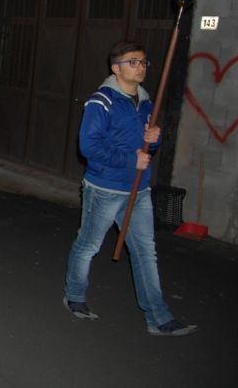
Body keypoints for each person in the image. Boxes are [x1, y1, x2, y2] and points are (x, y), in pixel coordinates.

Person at [63, 41, 197, 336]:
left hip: (139, 190)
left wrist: (155, 137)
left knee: (146, 252)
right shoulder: (102, 101)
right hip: (104, 188)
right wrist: (129, 159)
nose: (140, 67)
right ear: (116, 67)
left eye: (144, 62)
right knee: (89, 246)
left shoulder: (148, 102)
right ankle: (75, 296)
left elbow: (145, 145)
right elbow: (89, 146)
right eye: (133, 62)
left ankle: (158, 318)